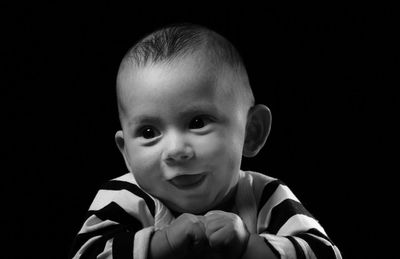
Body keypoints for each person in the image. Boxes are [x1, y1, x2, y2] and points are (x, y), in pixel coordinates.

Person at [70, 23, 342, 259]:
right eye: (149, 133)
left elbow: (325, 253)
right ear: (126, 151)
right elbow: (86, 253)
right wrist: (161, 244)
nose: (175, 151)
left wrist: (247, 245)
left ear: (252, 132)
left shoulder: (267, 197)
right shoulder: (124, 198)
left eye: (197, 123)